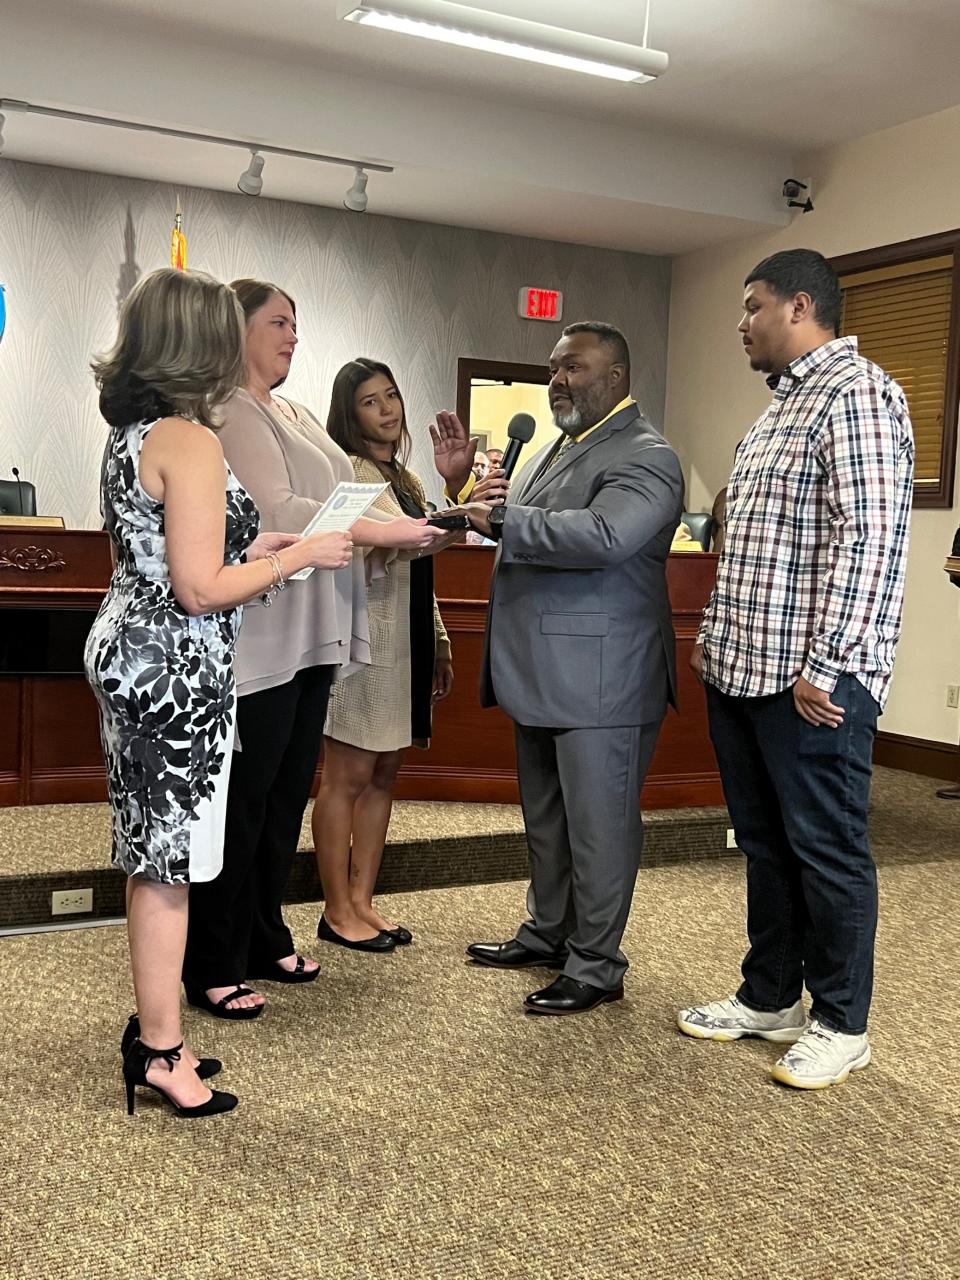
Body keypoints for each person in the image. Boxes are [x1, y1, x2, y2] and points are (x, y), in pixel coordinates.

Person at [86, 267, 354, 1116]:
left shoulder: (135, 430)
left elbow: (173, 553)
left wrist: (259, 540)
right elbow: (200, 587)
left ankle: (158, 1028)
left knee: (152, 853)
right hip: (176, 667)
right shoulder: (192, 437)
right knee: (171, 866)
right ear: (202, 340)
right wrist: (295, 557)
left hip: (131, 646)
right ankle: (162, 1052)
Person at [679, 248, 914, 1089]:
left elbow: (868, 540)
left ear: (800, 306)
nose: (740, 323)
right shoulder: (780, 410)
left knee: (828, 849)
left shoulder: (860, 396)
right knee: (767, 846)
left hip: (813, 681)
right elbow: (750, 542)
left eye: (751, 307)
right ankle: (770, 997)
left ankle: (842, 1021)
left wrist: (831, 664)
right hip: (745, 670)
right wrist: (713, 632)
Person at [183, 280, 446, 1018]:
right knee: (245, 802)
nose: (292, 336)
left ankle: (265, 934)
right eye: (278, 323)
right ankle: (215, 959)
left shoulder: (292, 410)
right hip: (262, 634)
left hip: (311, 632)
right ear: (233, 332)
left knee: (283, 799)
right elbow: (284, 511)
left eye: (296, 324)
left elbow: (345, 493)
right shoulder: (227, 409)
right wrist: (388, 532)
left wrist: (403, 517)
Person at [435, 321, 684, 1016]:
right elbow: (522, 524)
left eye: (573, 368)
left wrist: (503, 520)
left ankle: (598, 964)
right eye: (553, 368)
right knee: (548, 820)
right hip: (545, 672)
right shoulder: (560, 447)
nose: (558, 381)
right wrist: (475, 499)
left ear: (616, 378)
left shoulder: (646, 454)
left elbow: (606, 536)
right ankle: (550, 932)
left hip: (604, 679)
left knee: (599, 829)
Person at [313, 359, 455, 949]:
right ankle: (335, 908)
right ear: (350, 414)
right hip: (361, 641)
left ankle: (364, 901)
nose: (388, 409)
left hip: (405, 641)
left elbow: (423, 562)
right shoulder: (346, 470)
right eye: (371, 401)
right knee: (346, 775)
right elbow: (390, 545)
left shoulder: (406, 480)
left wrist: (441, 639)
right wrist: (462, 510)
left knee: (385, 773)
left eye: (392, 395)